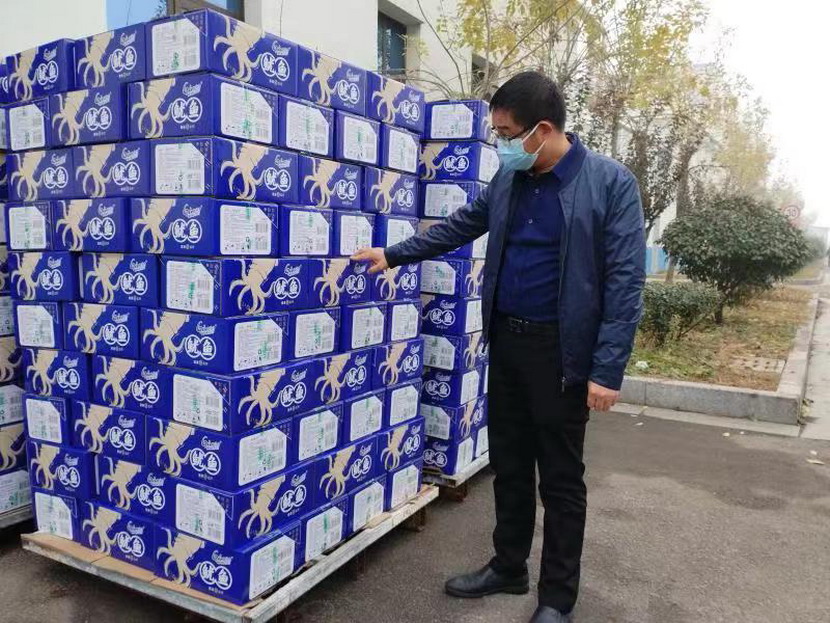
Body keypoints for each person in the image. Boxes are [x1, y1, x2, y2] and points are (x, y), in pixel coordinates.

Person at [353, 70, 646, 623]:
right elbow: (463, 224)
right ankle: (508, 566)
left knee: (560, 481)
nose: (501, 144)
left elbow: (626, 282)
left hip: (562, 355)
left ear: (542, 130)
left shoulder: (610, 184)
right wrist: (393, 254)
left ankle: (557, 598)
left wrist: (607, 370)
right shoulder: (511, 179)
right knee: (509, 465)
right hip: (507, 342)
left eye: (507, 133)